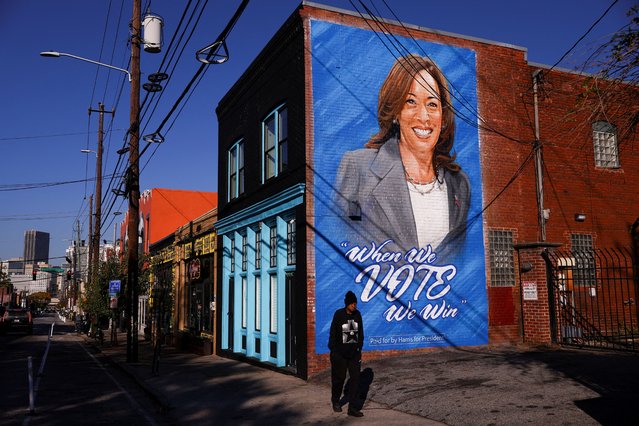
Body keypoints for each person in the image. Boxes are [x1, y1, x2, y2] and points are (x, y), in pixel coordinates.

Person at [334, 54, 470, 257]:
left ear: (443, 117)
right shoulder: (358, 169)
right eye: (411, 102)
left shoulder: (459, 184)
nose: (423, 117)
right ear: (396, 112)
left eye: (432, 104)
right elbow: (335, 245)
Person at [328, 290, 365, 417]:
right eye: (352, 303)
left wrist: (359, 347)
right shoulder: (339, 314)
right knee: (339, 379)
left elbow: (361, 333)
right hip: (339, 354)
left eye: (355, 303)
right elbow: (333, 332)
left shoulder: (358, 315)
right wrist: (333, 349)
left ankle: (353, 408)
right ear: (347, 304)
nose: (354, 306)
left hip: (354, 354)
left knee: (355, 379)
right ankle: (336, 401)